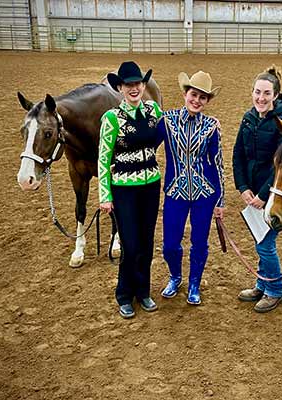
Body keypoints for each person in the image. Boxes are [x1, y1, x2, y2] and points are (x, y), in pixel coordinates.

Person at [98, 61, 163, 319]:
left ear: (143, 85)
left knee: (146, 243)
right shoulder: (112, 119)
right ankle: (124, 294)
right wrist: (105, 195)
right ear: (120, 88)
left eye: (137, 83)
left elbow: (166, 133)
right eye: (128, 85)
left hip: (150, 186)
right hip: (124, 189)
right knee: (130, 243)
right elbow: (103, 158)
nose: (133, 88)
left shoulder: (153, 110)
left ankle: (143, 292)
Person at [157, 70, 225, 305]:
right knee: (169, 243)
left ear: (207, 102)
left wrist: (220, 200)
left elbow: (218, 163)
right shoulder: (166, 121)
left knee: (199, 241)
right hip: (175, 192)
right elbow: (147, 144)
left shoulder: (211, 127)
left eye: (202, 98)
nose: (196, 100)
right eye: (193, 95)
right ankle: (175, 276)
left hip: (204, 194)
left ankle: (195, 282)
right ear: (185, 94)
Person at [232, 65, 282, 313]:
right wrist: (243, 187)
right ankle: (262, 283)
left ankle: (275, 290)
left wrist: (262, 194)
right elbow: (238, 155)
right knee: (260, 240)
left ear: (276, 96)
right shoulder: (248, 118)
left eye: (266, 93)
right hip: (252, 195)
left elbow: (281, 165)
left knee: (265, 245)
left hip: (274, 195)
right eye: (257, 92)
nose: (260, 98)